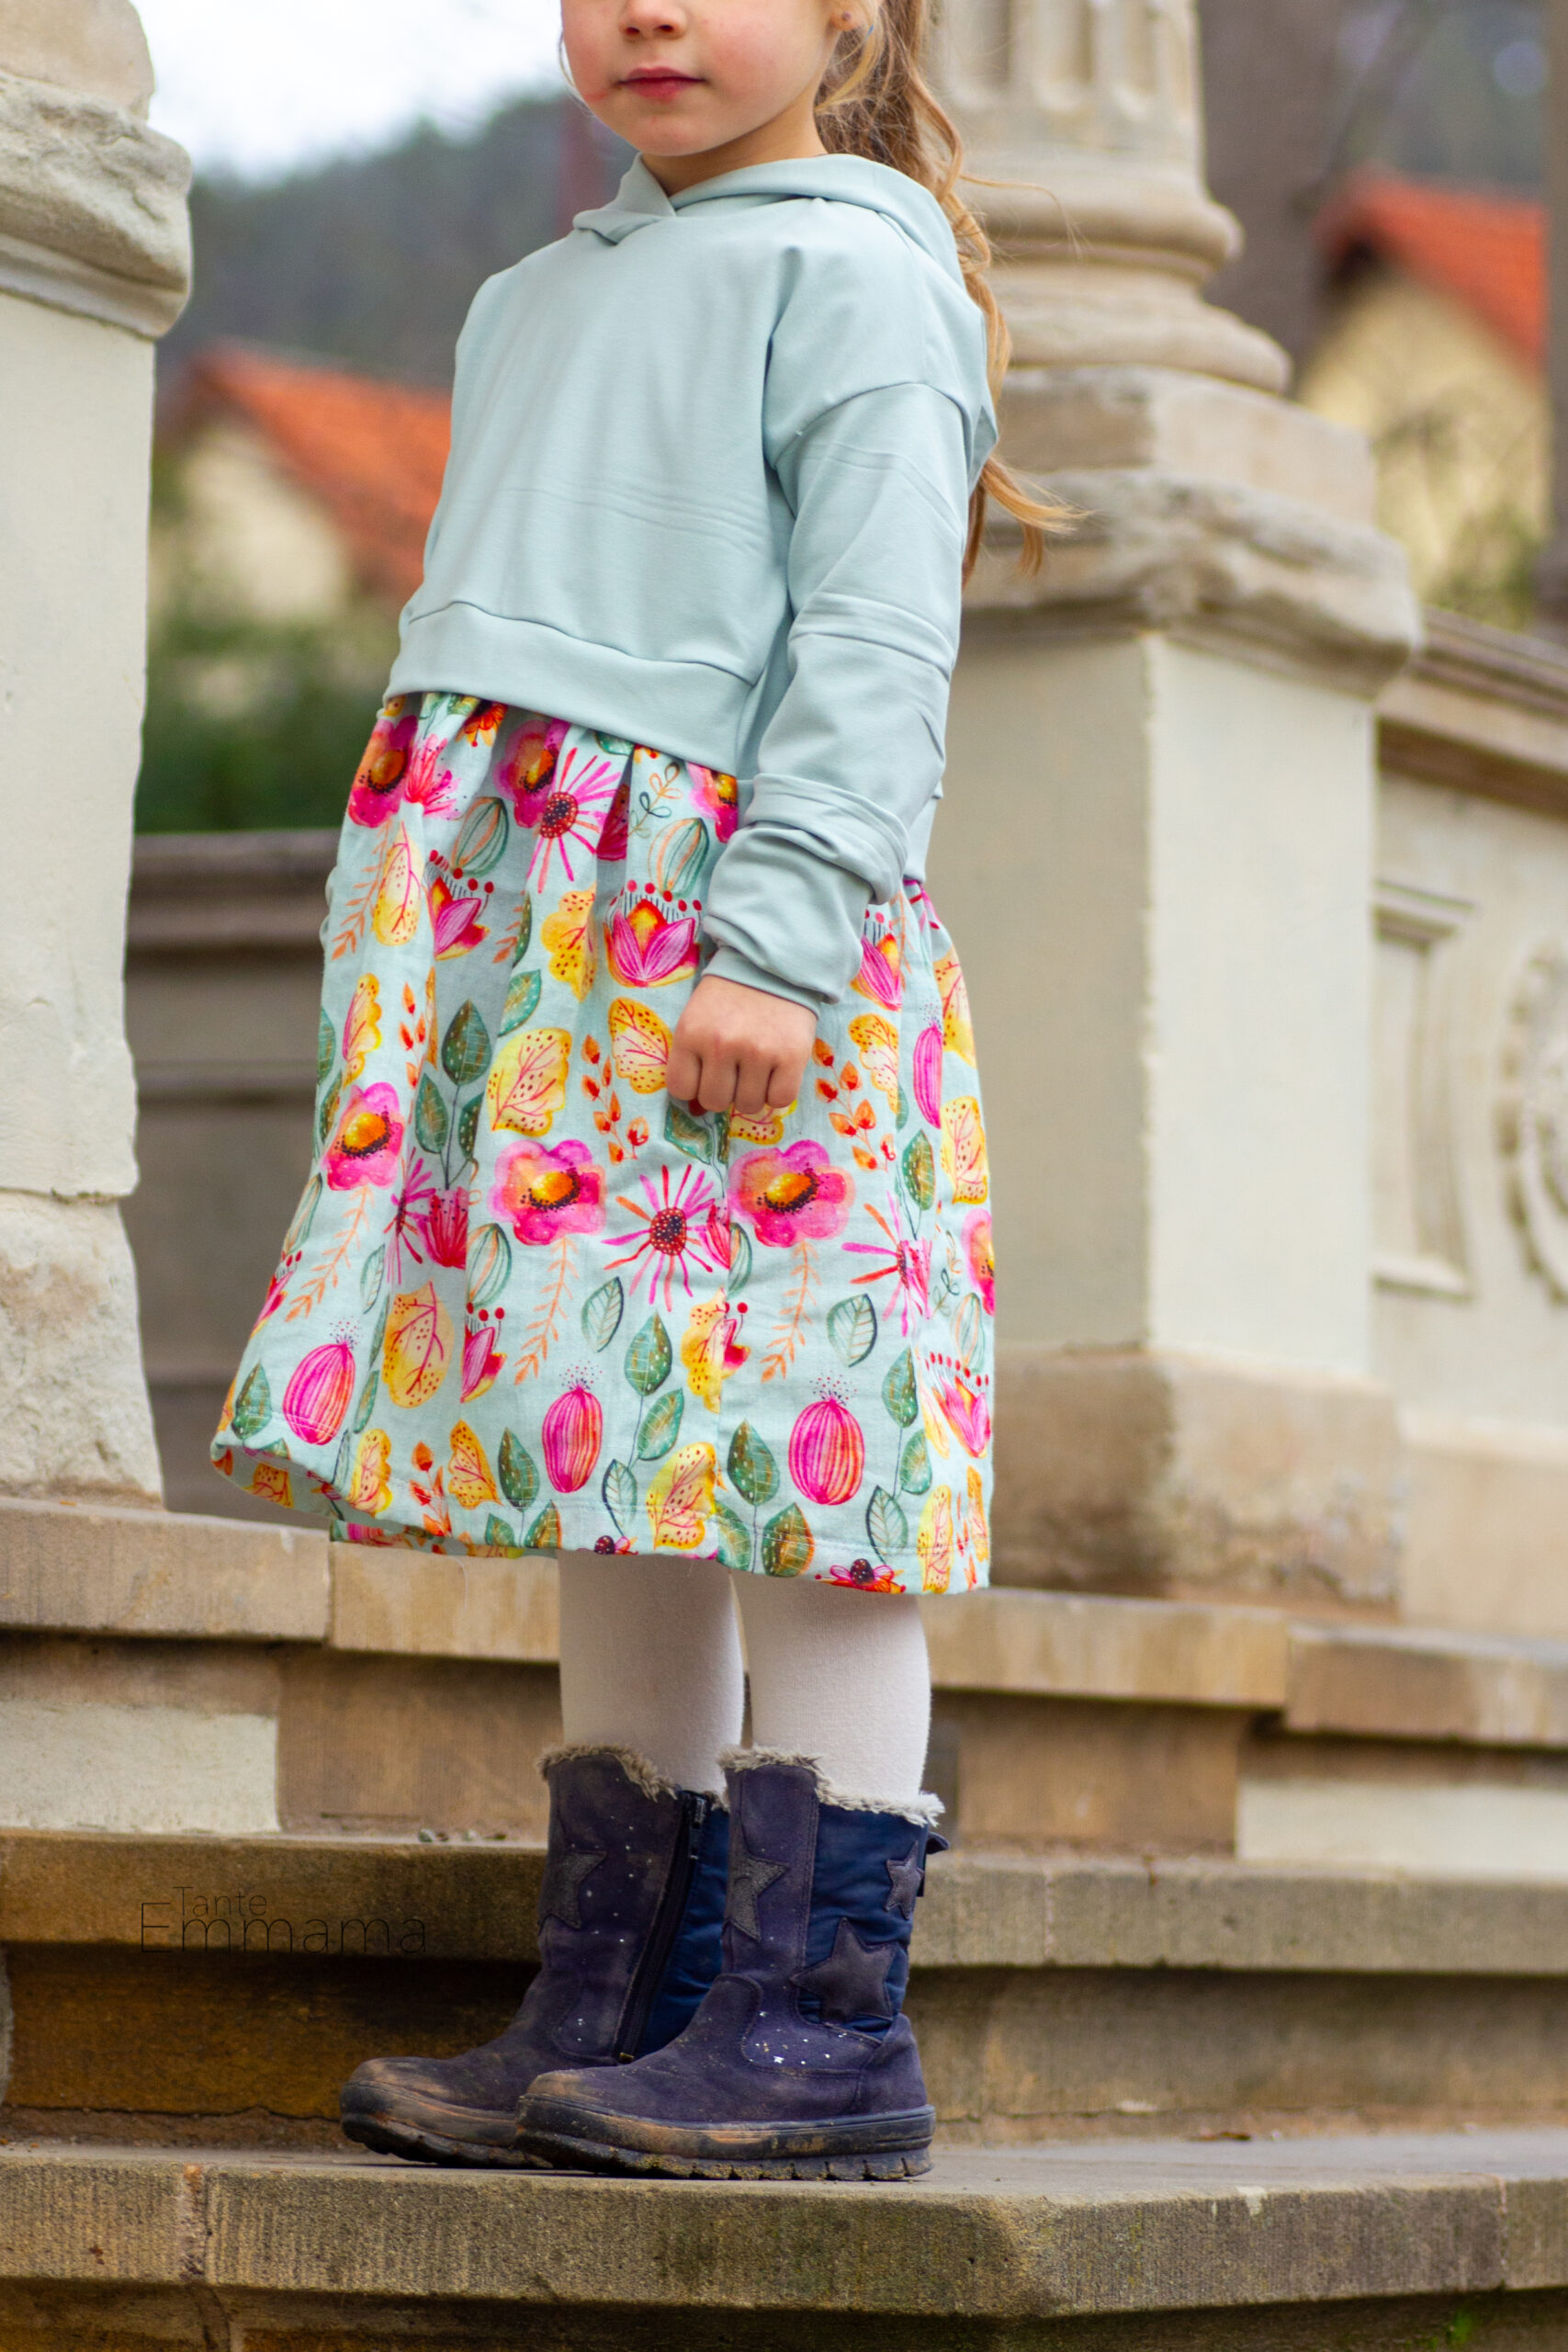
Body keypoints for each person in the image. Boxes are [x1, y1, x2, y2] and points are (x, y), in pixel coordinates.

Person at [212, 0, 1052, 2184]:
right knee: (613, 1442)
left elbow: (872, 643)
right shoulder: (525, 301)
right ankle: (616, 1997)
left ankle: (820, 2022)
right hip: (546, 976)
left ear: (851, 10)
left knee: (799, 1460)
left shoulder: (855, 273)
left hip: (739, 958)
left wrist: (775, 941)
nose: (649, 11)